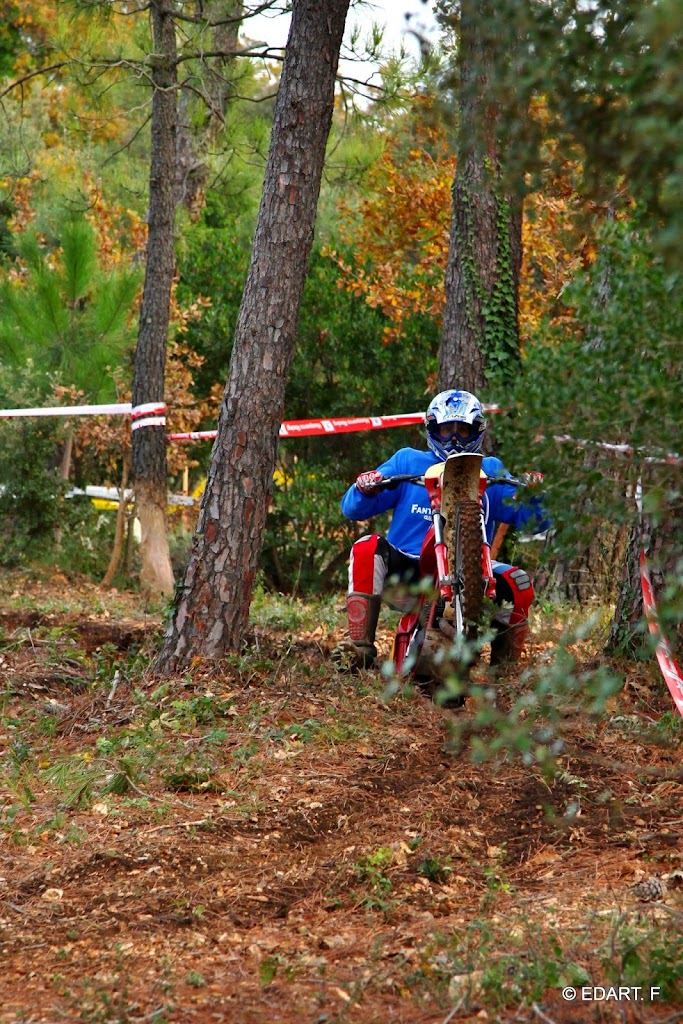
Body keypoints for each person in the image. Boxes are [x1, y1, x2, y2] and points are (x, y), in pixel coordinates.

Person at [334, 389, 549, 670]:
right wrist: (365, 486)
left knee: (518, 581)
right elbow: (352, 509)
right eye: (447, 430)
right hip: (410, 566)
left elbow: (535, 521)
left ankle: (505, 672)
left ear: (478, 431)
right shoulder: (407, 461)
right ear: (433, 429)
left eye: (463, 430)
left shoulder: (491, 469)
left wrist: (535, 493)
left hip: (472, 571)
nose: (455, 439)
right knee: (366, 546)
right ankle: (359, 648)